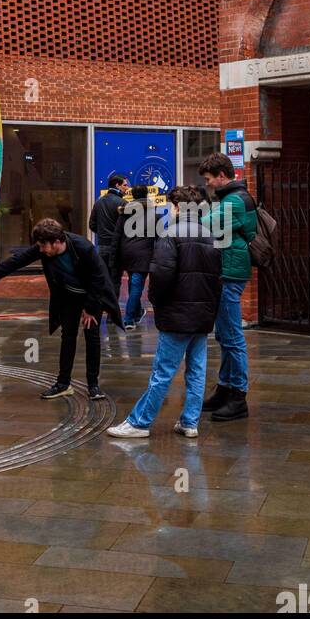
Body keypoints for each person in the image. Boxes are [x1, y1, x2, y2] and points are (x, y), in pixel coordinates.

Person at [106, 185, 222, 439]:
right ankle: (190, 422)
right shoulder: (211, 236)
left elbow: (161, 276)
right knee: (197, 371)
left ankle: (139, 422)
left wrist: (157, 303)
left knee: (163, 372)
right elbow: (217, 280)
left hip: (176, 315)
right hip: (202, 315)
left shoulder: (170, 234)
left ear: (179, 207)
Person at [0, 216, 123, 399]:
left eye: (43, 246)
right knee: (68, 336)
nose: (41, 250)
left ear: (57, 242)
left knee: (92, 336)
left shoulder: (83, 247)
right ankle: (63, 383)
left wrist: (90, 309)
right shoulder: (44, 248)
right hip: (68, 297)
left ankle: (93, 385)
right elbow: (18, 261)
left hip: (92, 295)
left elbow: (98, 278)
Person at [197, 152, 256, 422]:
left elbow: (204, 226)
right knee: (224, 335)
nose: (208, 184)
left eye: (210, 179)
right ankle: (225, 388)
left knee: (232, 337)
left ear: (222, 175)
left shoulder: (234, 200)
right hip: (228, 270)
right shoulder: (229, 198)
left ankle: (238, 396)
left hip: (230, 273)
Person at [113, 182, 160, 329]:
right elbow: (159, 238)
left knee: (134, 283)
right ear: (147, 195)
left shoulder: (125, 213)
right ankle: (128, 319)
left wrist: (114, 256)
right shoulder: (154, 214)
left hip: (126, 253)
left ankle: (138, 312)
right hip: (144, 254)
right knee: (136, 286)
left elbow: (117, 235)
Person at [88, 172, 129, 292]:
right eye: (125, 185)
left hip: (102, 247)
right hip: (117, 248)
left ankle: (103, 307)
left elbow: (92, 225)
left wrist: (102, 233)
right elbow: (128, 228)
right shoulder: (123, 204)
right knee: (115, 279)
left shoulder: (99, 202)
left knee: (104, 279)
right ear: (117, 185)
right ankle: (113, 308)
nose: (127, 188)